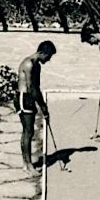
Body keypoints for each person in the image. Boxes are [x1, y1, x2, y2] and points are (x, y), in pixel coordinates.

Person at [17, 40, 57, 174]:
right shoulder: (28, 64)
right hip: (24, 98)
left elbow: (37, 87)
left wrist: (42, 107)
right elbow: (31, 88)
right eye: (48, 56)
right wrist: (43, 107)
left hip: (29, 98)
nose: (49, 59)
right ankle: (27, 165)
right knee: (27, 131)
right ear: (41, 52)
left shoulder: (37, 65)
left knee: (29, 131)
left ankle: (27, 164)